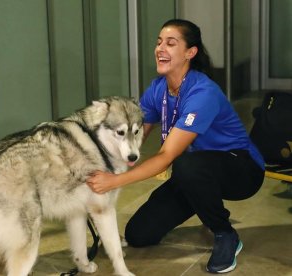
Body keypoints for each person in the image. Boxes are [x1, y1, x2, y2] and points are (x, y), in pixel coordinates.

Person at [86, 19, 265, 273]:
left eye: (171, 43)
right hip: (194, 172)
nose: (160, 48)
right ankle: (204, 199)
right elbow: (135, 140)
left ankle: (225, 233)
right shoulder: (158, 88)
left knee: (185, 164)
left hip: (241, 168)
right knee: (139, 234)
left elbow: (167, 156)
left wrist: (113, 182)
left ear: (190, 53)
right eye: (159, 42)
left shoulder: (203, 93)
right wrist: (99, 166)